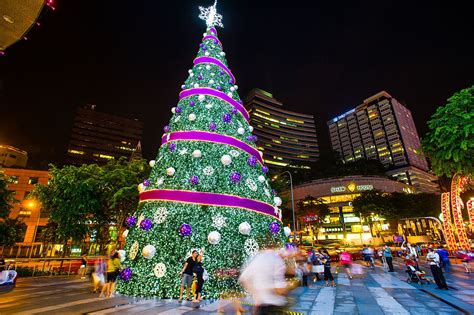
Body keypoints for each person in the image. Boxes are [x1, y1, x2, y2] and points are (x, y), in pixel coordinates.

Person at [239, 246, 289, 314]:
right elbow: (280, 290)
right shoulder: (276, 259)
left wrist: (256, 294)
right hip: (274, 306)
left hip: (260, 304)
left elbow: (243, 278)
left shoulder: (256, 258)